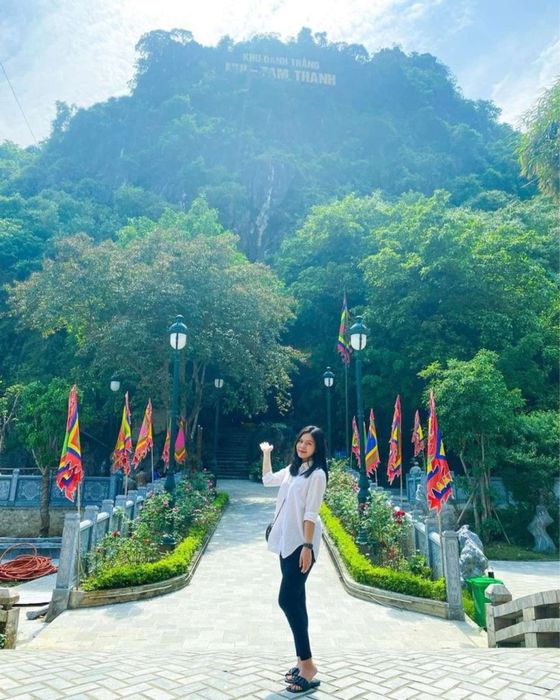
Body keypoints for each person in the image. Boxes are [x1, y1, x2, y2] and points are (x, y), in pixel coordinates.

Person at [260, 425, 328, 694]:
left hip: (301, 545)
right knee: (297, 601)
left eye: (309, 443)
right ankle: (303, 662)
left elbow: (311, 513)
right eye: (301, 441)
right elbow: (267, 479)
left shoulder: (317, 474)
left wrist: (308, 547)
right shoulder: (293, 470)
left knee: (287, 600)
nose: (303, 446)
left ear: (317, 448)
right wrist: (267, 453)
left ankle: (308, 665)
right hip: (285, 543)